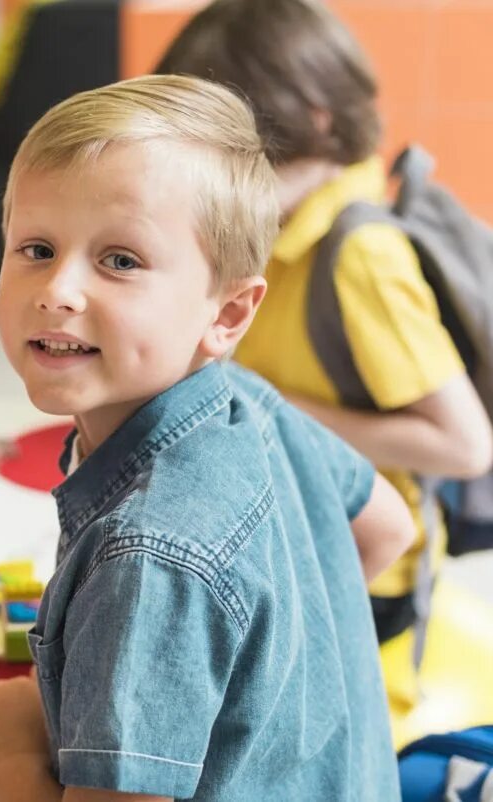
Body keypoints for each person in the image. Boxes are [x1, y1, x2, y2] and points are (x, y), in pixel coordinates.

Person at [0, 75, 414, 801]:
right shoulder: (250, 399)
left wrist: (3, 753)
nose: (58, 289)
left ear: (228, 314)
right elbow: (388, 527)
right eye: (36, 248)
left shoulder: (146, 556)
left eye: (120, 260)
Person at [155, 0, 493, 705]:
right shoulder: (279, 227)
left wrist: (275, 408)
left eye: (233, 155)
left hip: (367, 570)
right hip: (287, 534)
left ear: (312, 121)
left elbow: (466, 446)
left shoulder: (358, 256)